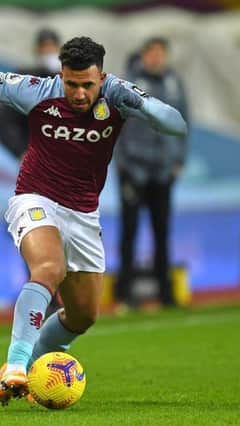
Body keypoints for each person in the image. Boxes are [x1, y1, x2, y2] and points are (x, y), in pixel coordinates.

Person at [0, 36, 187, 405]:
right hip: (35, 198)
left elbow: (176, 125)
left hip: (84, 213)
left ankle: (26, 369)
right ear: (61, 75)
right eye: (71, 83)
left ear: (101, 77)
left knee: (83, 316)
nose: (78, 94)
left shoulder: (118, 95)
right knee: (48, 267)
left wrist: (142, 105)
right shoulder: (37, 91)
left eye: (87, 85)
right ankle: (15, 366)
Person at [114, 37, 189, 308]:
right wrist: (122, 163)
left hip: (163, 170)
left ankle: (166, 294)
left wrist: (179, 160)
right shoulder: (127, 84)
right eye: (152, 53)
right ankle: (125, 293)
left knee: (162, 230)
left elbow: (184, 121)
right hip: (133, 169)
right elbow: (115, 123)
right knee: (130, 231)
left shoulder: (174, 83)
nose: (157, 58)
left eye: (161, 53)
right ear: (144, 55)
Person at [0, 28, 61, 158]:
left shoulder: (71, 83)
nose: (49, 52)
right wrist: (21, 152)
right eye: (44, 48)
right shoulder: (24, 81)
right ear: (37, 51)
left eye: (52, 47)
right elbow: (1, 122)